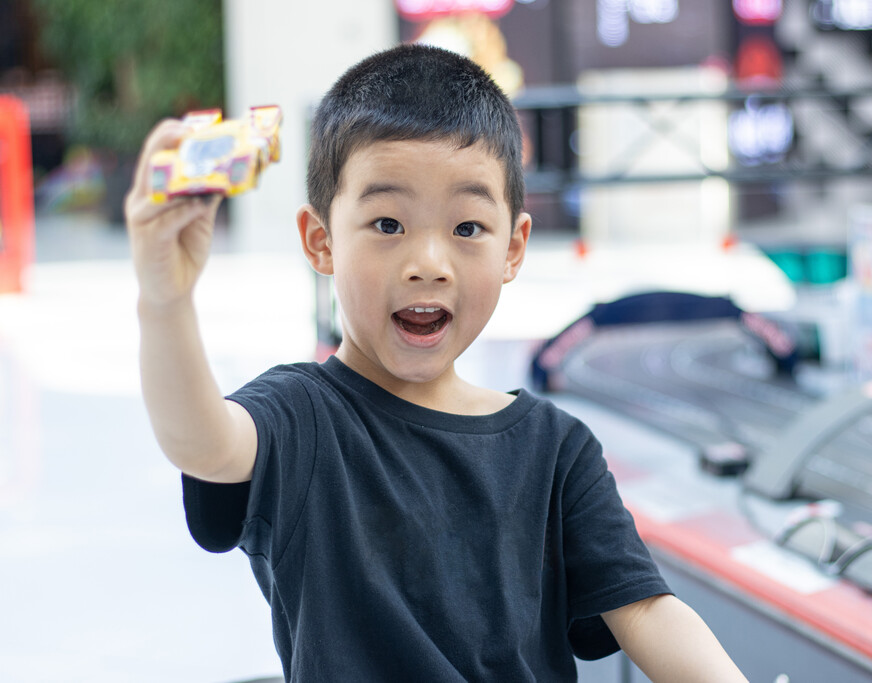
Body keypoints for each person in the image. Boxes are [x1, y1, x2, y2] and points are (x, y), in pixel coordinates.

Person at [125, 44, 748, 682]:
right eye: (388, 223)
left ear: (513, 248)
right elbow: (202, 443)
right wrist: (165, 298)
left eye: (467, 228)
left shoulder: (556, 448)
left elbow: (645, 610)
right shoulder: (302, 415)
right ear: (322, 240)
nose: (429, 261)